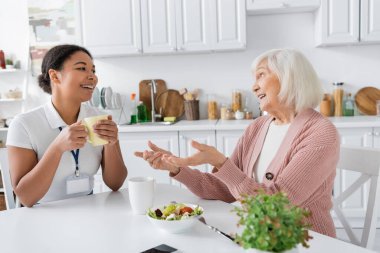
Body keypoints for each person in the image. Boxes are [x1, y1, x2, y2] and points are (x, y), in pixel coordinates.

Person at [135, 48, 340, 237]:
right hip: (259, 237)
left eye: (261, 75)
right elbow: (224, 189)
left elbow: (275, 208)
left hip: (305, 241)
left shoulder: (320, 134)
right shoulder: (258, 127)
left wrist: (223, 164)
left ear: (289, 77)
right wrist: (179, 168)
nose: (253, 86)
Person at [7, 44, 127, 207]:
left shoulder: (98, 119)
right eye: (82, 68)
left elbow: (115, 183)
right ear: (55, 76)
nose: (92, 76)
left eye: (93, 70)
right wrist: (57, 148)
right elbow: (27, 197)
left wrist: (112, 144)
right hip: (41, 214)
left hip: (88, 210)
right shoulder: (23, 124)